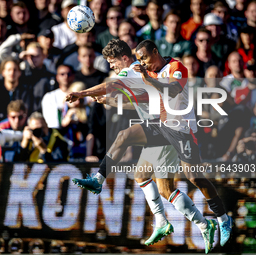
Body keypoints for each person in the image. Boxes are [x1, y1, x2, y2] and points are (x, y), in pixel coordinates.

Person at [66, 39, 233, 250]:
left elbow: (171, 89)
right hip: (161, 126)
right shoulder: (145, 71)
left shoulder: (175, 67)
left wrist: (84, 93)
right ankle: (99, 179)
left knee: (194, 177)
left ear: (155, 51)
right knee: (126, 139)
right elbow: (141, 97)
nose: (142, 63)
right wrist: (111, 100)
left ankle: (222, 219)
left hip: (182, 131)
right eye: (139, 59)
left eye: (144, 58)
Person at [61, 82, 89, 160]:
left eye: (80, 99)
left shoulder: (86, 109)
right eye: (75, 98)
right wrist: (69, 116)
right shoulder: (64, 108)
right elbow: (62, 125)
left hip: (82, 146)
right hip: (67, 145)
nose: (77, 102)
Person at [42, 64, 75, 129]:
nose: (66, 77)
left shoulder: (82, 95)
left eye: (68, 74)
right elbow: (51, 121)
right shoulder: (49, 97)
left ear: (73, 76)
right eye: (62, 74)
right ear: (57, 77)